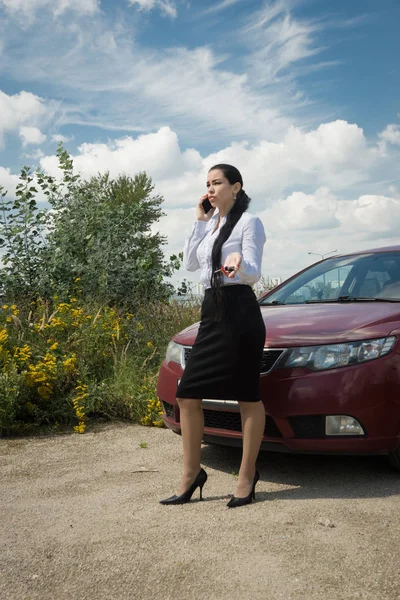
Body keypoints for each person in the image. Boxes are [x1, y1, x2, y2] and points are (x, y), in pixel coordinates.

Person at [160, 164, 267, 508]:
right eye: (207, 184)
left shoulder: (249, 223)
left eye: (217, 183)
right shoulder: (211, 226)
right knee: (187, 395)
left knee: (246, 397)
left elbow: (252, 271)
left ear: (236, 187)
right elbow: (191, 263)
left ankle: (246, 476)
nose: (210, 189)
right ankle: (192, 474)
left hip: (240, 312)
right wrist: (200, 220)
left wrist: (238, 262)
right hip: (211, 311)